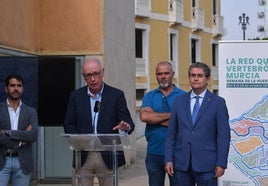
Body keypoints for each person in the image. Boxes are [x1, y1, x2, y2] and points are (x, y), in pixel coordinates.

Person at [64, 57, 135, 186]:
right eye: (88, 75)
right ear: (83, 76)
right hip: (83, 155)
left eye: (96, 74)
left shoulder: (116, 95)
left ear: (102, 72)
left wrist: (125, 126)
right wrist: (79, 140)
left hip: (108, 155)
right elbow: (68, 124)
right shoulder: (76, 96)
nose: (92, 79)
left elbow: (129, 123)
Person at [164, 62, 231, 186]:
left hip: (207, 165)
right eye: (192, 75)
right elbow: (171, 134)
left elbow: (224, 137)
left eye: (200, 75)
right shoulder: (179, 101)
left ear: (207, 78)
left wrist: (221, 163)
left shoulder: (218, 103)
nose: (195, 78)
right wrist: (168, 159)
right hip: (182, 165)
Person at [139, 61, 185, 186]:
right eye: (160, 74)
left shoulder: (183, 96)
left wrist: (155, 116)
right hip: (154, 153)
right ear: (156, 75)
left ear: (173, 74)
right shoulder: (149, 96)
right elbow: (144, 116)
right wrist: (173, 115)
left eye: (166, 73)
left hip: (177, 153)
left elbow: (183, 123)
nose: (163, 76)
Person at [0, 73, 38, 186]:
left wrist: (7, 133)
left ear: (22, 89)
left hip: (22, 163)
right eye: (12, 85)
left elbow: (33, 135)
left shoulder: (31, 112)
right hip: (2, 161)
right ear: (6, 89)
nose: (16, 88)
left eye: (19, 85)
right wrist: (21, 140)